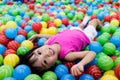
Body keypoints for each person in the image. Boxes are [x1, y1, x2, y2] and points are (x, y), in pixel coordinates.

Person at [24, 16, 102, 76]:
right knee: (94, 21)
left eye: (39, 53)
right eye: (45, 61)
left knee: (80, 26)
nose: (46, 54)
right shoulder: (67, 55)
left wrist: (38, 35)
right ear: (52, 65)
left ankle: (83, 23)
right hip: (85, 35)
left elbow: (52, 36)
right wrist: (81, 64)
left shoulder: (47, 43)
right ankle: (100, 26)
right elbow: (91, 53)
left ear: (38, 47)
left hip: (72, 30)